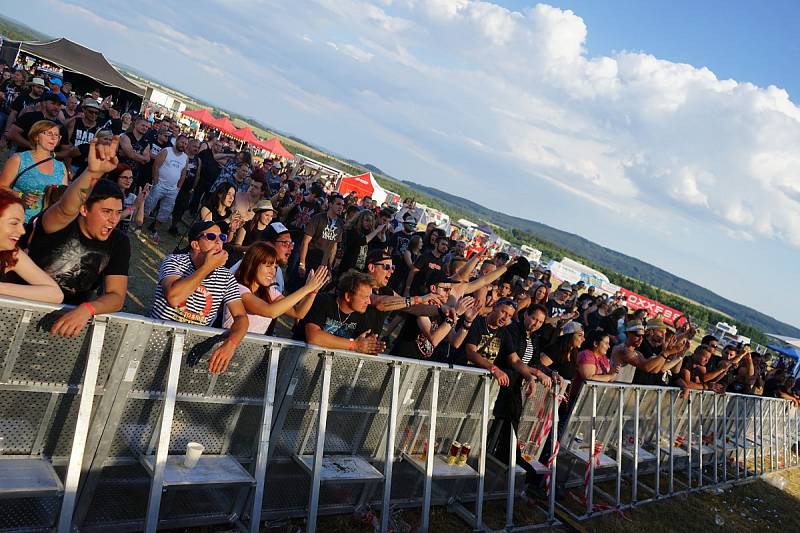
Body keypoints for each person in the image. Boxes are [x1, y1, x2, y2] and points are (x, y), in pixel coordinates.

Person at [26, 137, 130, 337]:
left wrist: (88, 309)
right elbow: (67, 207)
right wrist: (93, 172)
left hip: (68, 322)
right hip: (21, 308)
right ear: (84, 209)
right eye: (107, 211)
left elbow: (116, 296)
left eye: (118, 213)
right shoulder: (58, 223)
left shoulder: (119, 242)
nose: (113, 220)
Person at [150, 220, 248, 373]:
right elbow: (173, 297)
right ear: (195, 245)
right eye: (210, 237)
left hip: (192, 350)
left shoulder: (226, 277)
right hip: (158, 341)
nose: (218, 242)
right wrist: (208, 266)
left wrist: (231, 344)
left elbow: (241, 317)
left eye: (222, 237)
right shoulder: (175, 261)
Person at [222, 241, 329, 334]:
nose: (273, 272)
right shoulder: (238, 289)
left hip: (252, 350)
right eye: (268, 266)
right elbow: (270, 311)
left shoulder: (270, 291)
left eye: (275, 267)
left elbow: (298, 312)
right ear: (253, 264)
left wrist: (312, 292)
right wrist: (306, 288)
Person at [293, 269, 385, 354]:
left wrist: (370, 346)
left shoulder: (362, 313)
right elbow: (313, 337)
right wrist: (354, 345)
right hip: (298, 356)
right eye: (365, 297)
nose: (368, 302)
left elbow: (363, 343)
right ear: (348, 296)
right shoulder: (323, 301)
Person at [0, 188, 63, 303]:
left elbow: (55, 294)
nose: (22, 231)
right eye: (14, 223)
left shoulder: (12, 254)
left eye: (22, 223)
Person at [0, 120, 68, 222]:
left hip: (44, 224)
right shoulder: (19, 159)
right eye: (49, 134)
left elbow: (63, 196)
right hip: (18, 220)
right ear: (36, 136)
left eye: (57, 135)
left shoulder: (61, 167)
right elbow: (2, 186)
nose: (54, 138)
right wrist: (21, 196)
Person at [142, 134, 189, 242]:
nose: (184, 145)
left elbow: (183, 174)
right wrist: (156, 181)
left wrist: (178, 189)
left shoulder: (185, 158)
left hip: (173, 190)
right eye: (182, 142)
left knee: (166, 210)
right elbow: (156, 166)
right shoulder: (166, 151)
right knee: (149, 204)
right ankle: (139, 224)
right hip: (160, 185)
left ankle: (155, 229)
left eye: (186, 144)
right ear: (176, 141)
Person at [297, 193, 344, 279]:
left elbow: (334, 247)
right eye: (338, 204)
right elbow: (305, 241)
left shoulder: (340, 224)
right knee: (293, 288)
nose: (341, 207)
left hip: (322, 266)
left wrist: (329, 268)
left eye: (342, 205)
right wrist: (302, 263)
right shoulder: (318, 218)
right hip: (309, 260)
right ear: (330, 204)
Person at [573, 330, 618, 395]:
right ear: (595, 344)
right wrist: (610, 376)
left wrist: (613, 372)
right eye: (606, 343)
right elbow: (589, 377)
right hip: (579, 397)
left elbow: (607, 378)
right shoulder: (586, 355)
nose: (609, 346)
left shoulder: (604, 357)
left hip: (595, 398)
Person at [107, 164, 148, 233]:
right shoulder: (109, 195)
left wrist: (142, 200)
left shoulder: (132, 197)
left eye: (131, 177)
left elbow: (139, 222)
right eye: (125, 177)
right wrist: (134, 206)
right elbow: (114, 218)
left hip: (122, 235)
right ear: (116, 177)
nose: (128, 180)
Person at [118, 116, 151, 181]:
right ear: (136, 124)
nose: (145, 128)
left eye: (147, 127)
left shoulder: (146, 143)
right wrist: (141, 157)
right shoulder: (125, 136)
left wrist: (129, 153)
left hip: (133, 175)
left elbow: (146, 160)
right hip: (120, 171)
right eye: (143, 125)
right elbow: (130, 154)